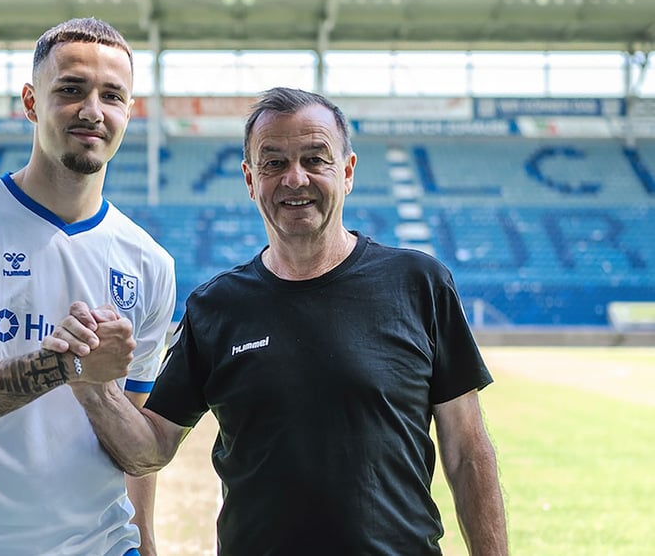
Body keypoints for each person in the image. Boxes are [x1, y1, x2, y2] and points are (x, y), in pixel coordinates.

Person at [48, 87, 508, 554]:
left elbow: (467, 452)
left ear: (346, 172)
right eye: (274, 163)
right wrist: (94, 387)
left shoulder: (419, 283)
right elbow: (150, 449)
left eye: (315, 159)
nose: (295, 179)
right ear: (250, 179)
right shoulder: (217, 307)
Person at [0, 17, 176, 556]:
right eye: (71, 89)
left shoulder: (150, 263)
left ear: (128, 113)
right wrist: (63, 366)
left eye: (112, 95)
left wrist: (147, 541)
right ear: (30, 101)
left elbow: (133, 444)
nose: (93, 109)